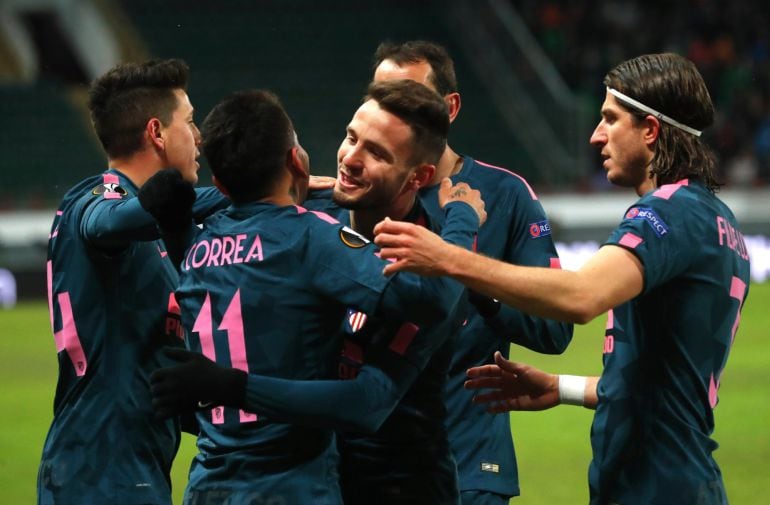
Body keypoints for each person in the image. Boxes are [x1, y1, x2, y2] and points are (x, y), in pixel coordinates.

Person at [374, 53, 751, 504]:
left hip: (656, 484)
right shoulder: (717, 221)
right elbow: (665, 385)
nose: (596, 136)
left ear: (650, 130)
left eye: (610, 119)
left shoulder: (668, 214)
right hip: (680, 476)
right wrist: (561, 388)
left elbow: (581, 296)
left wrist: (448, 258)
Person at [149, 85, 485, 505]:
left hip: (218, 484)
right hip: (293, 486)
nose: (349, 158)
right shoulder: (313, 236)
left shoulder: (202, 241)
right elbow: (430, 302)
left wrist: (179, 218)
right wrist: (463, 219)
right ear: (295, 158)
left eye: (376, 153)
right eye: (350, 138)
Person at [372, 40, 573, 504]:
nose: (391, 116)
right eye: (382, 101)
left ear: (450, 108)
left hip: (471, 464)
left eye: (408, 101)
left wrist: (484, 288)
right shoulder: (360, 194)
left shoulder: (505, 195)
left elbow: (554, 330)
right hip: (369, 466)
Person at [38, 58, 225, 505]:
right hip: (99, 470)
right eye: (191, 122)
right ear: (157, 132)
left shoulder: (156, 233)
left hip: (129, 463)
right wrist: (247, 187)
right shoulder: (99, 198)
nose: (198, 137)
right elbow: (104, 223)